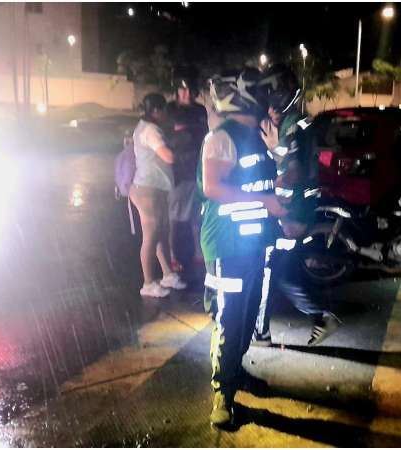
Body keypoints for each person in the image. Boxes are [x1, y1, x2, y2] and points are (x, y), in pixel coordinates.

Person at [198, 68, 287, 427]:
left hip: (253, 242)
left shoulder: (256, 136)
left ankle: (236, 370)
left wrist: (281, 169)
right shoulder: (222, 137)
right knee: (229, 318)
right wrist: (267, 199)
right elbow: (212, 187)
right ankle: (223, 391)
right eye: (267, 95)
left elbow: (262, 181)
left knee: (247, 316)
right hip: (227, 243)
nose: (272, 102)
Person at [253, 64, 341, 348]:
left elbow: (294, 170)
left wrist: (271, 182)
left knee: (272, 268)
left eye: (270, 93)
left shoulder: (292, 123)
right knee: (282, 270)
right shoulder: (298, 119)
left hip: (292, 209)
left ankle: (262, 332)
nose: (268, 105)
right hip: (299, 206)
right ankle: (320, 317)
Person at [130, 93, 186, 297]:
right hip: (147, 189)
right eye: (163, 109)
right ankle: (148, 283)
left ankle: (167, 274)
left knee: (162, 230)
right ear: (156, 111)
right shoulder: (150, 130)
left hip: (155, 188)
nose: (166, 113)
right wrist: (181, 147)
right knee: (151, 235)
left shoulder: (144, 127)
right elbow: (168, 156)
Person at [165, 67, 209, 276]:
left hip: (199, 171)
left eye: (190, 90)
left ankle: (199, 252)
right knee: (175, 217)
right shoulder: (169, 111)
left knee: (197, 216)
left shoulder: (200, 111)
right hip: (178, 173)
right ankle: (173, 256)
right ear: (176, 90)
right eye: (183, 90)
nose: (187, 94)